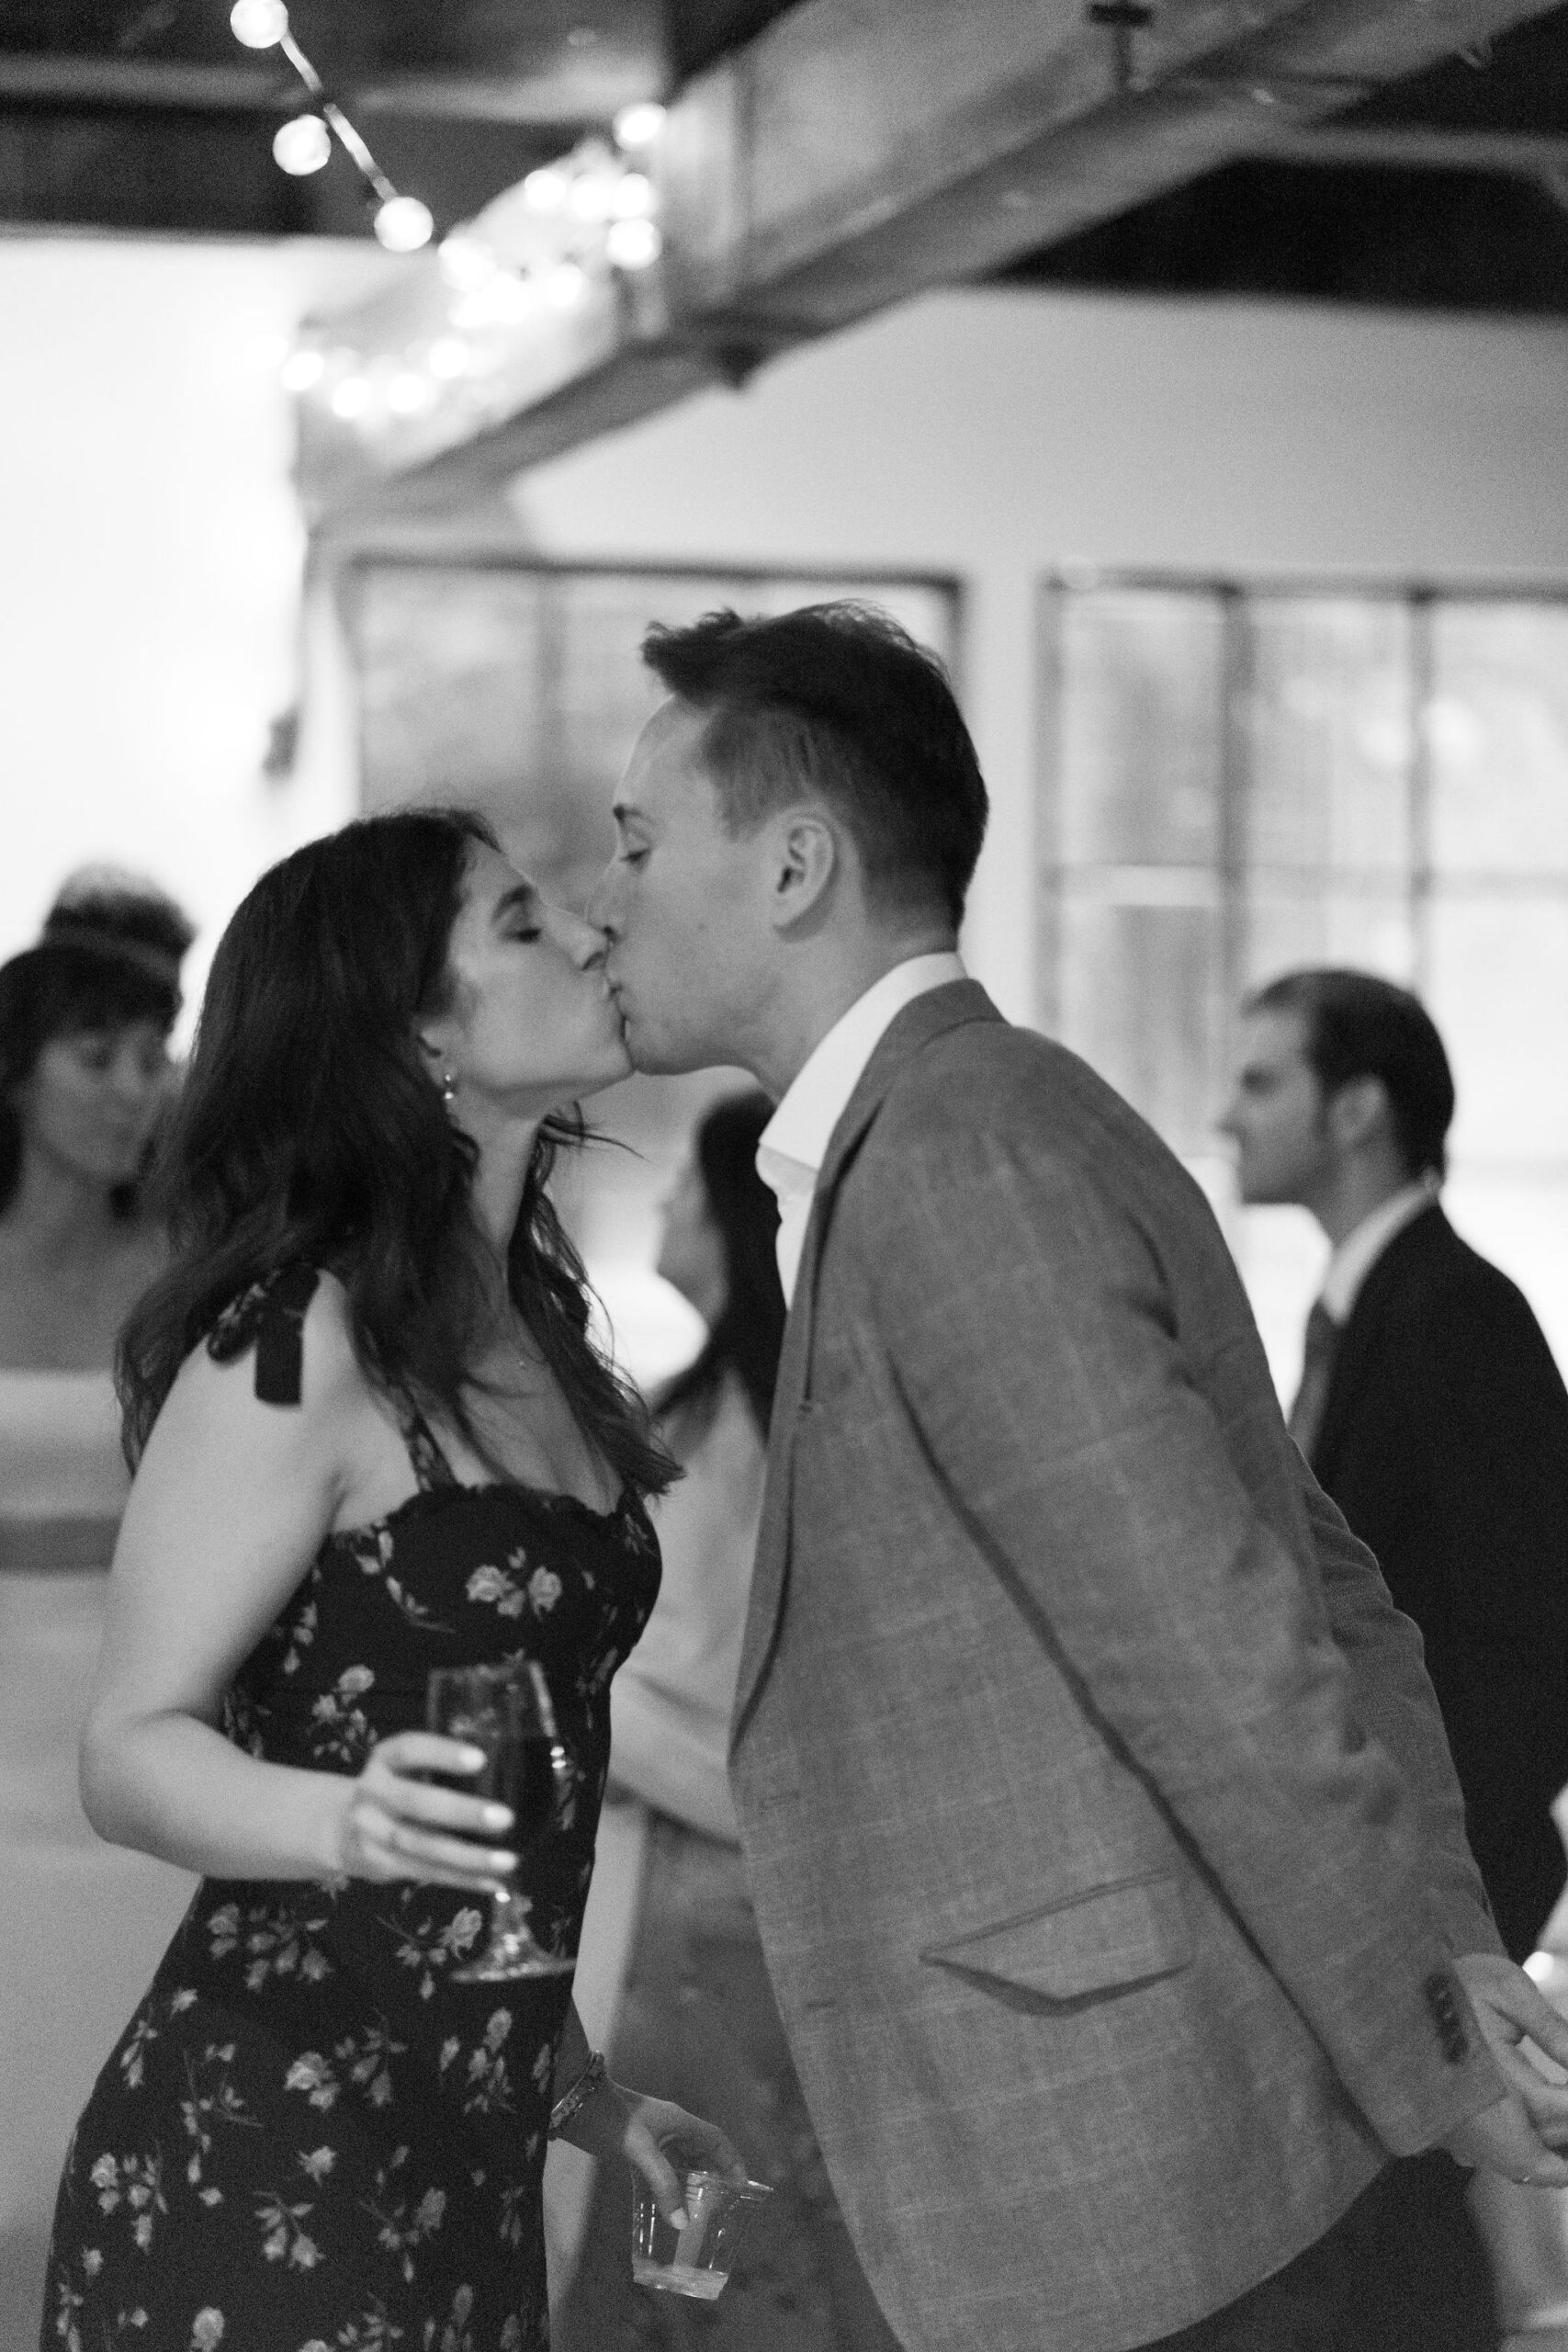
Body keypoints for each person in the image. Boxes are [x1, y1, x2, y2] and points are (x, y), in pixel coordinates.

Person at [585, 600, 1568, 2352]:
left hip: (1125, 2185)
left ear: (797, 863)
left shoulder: (958, 1157)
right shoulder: (963, 1124)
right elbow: (1330, 1592)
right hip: (1105, 2160)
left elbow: (1223, 1649)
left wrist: (1439, 2035)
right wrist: (1452, 1953)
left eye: (640, 843)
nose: (609, 896)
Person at [40, 810, 738, 2352]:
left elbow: (491, 1832)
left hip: (463, 2181)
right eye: (518, 922)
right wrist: (332, 1815)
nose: (588, 933)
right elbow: (129, 1746)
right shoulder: (296, 1348)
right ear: (417, 1035)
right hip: (260, 2167)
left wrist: (589, 2099)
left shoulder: (534, 1330)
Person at [555, 1090, 899, 2350]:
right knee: (754, 2203)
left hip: (689, 1891)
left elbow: (660, 1666)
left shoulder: (711, 1432)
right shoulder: (788, 1416)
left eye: (690, 1181)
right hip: (758, 1881)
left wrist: (567, 1707)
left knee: (691, 2210)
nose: (666, 1202)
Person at [1221, 967, 1568, 1968]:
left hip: (1434, 1897)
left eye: (1259, 1083)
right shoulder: (1373, 1309)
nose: (1224, 1116)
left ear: (1358, 1108)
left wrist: (1426, 1862)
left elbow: (1538, 1637)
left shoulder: (1457, 1314)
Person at [0, 872, 198, 2344]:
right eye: (98, 1055)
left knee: (119, 2163)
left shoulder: (182, 1280)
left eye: (153, 1054)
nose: (134, 1090)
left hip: (130, 1741)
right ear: (18, 1069)